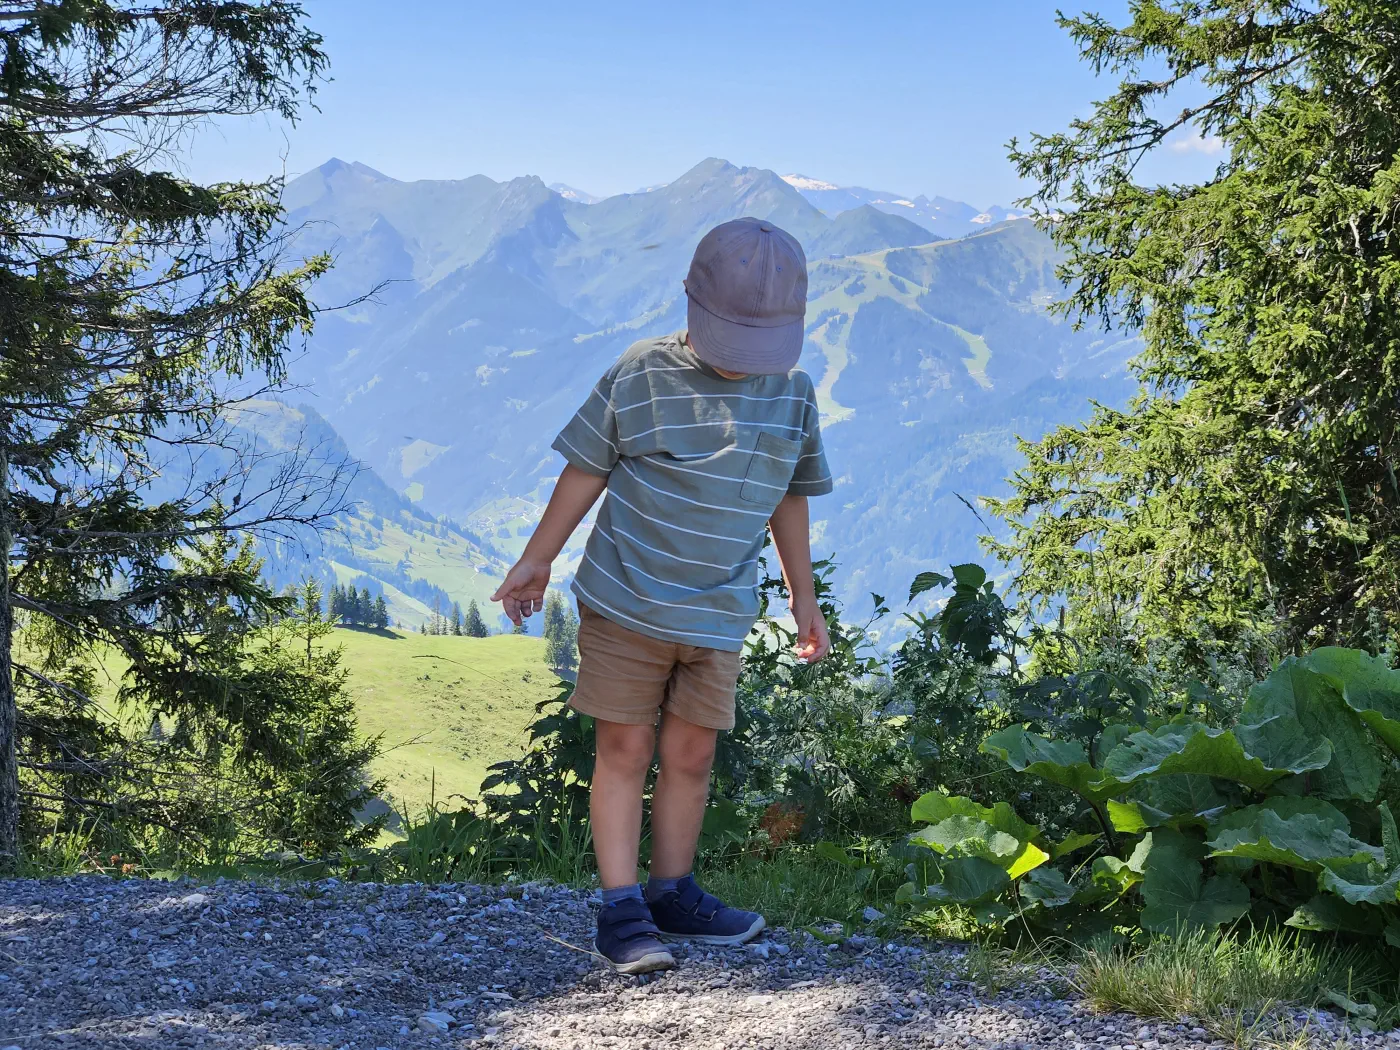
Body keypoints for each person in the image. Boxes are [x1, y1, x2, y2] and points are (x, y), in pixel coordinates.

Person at [491, 217, 833, 974]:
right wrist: (536, 560)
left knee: (691, 753)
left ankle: (672, 892)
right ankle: (621, 911)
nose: (746, 362)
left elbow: (791, 496)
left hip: (716, 614)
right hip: (628, 601)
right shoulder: (641, 373)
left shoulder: (793, 395)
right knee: (623, 746)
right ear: (693, 306)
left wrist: (802, 598)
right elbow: (586, 467)